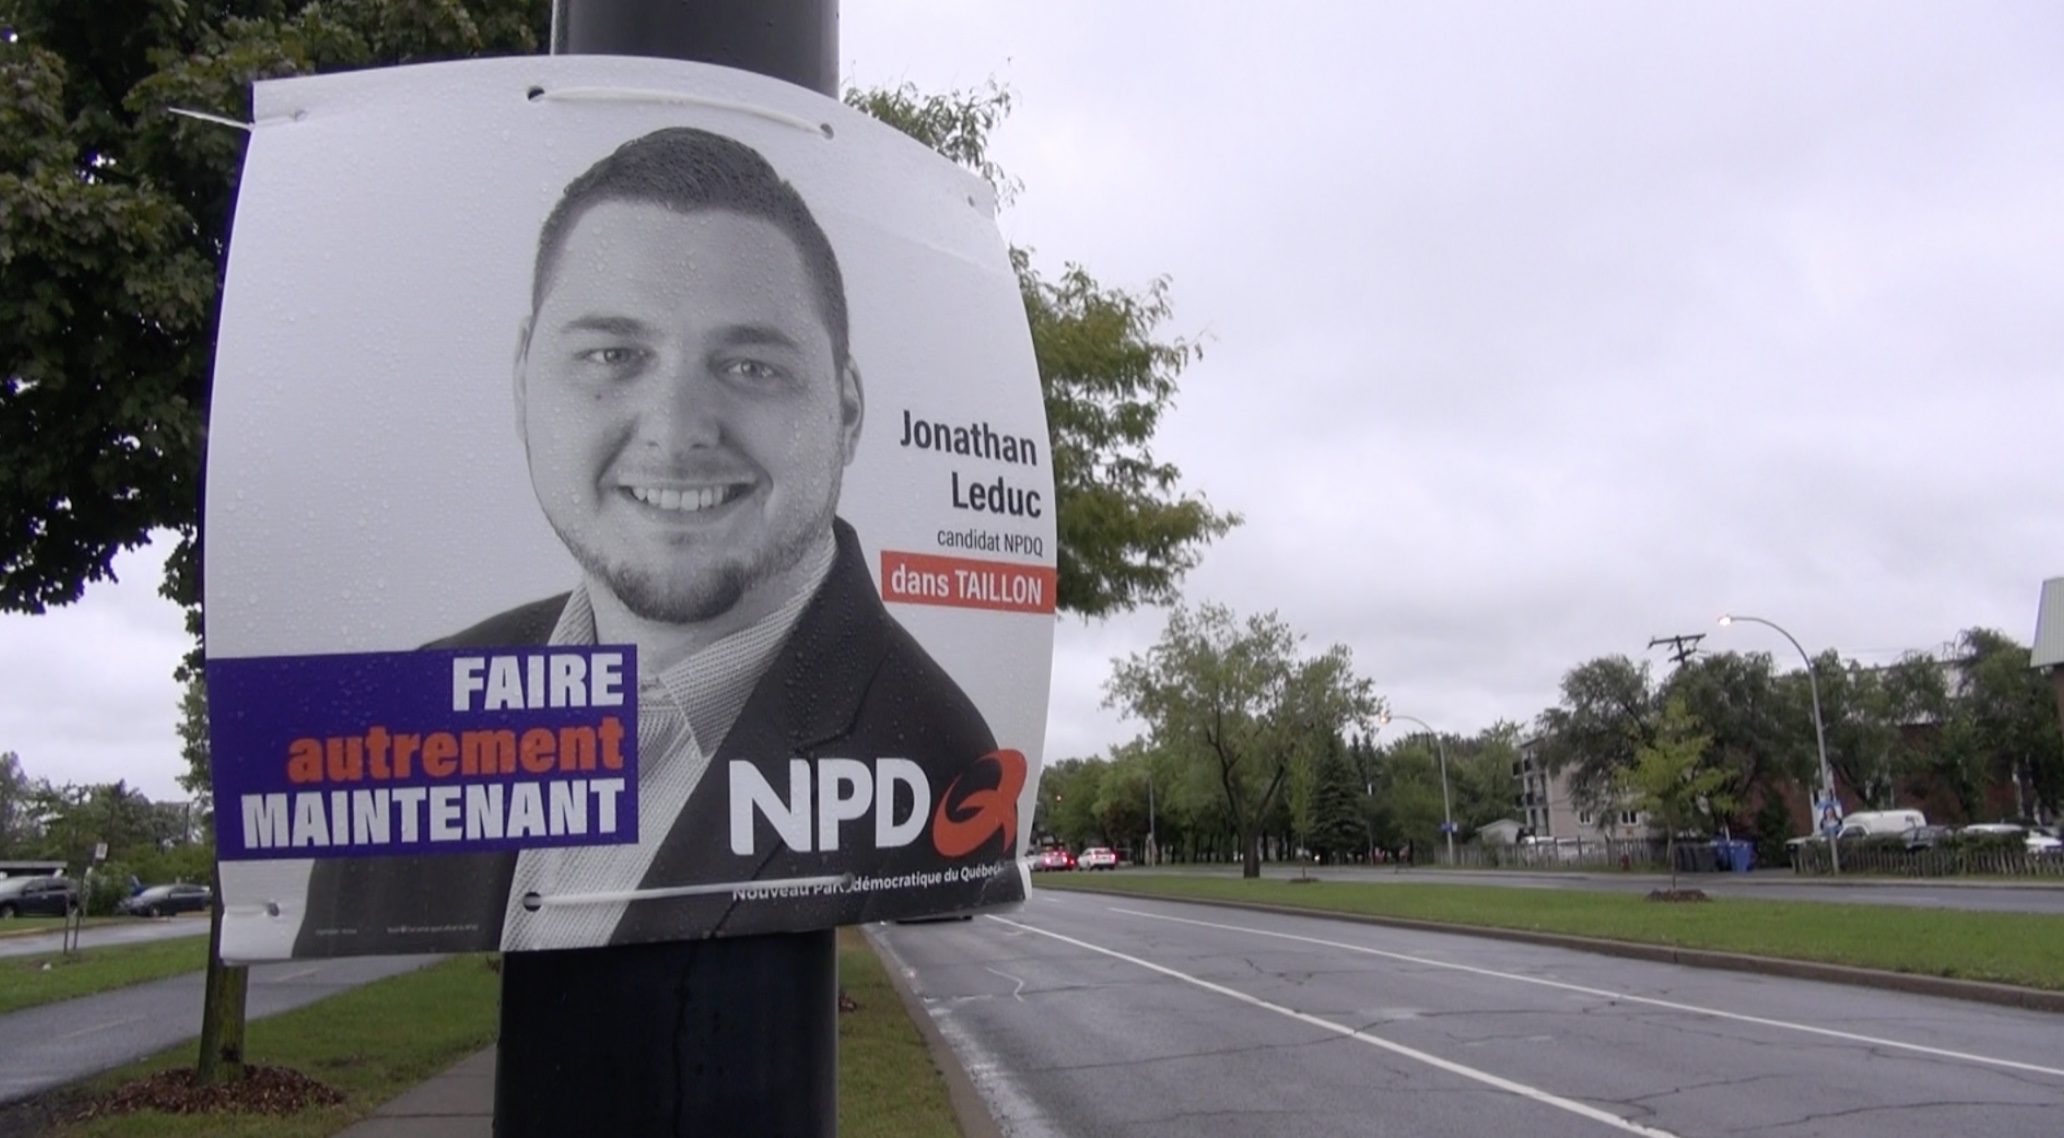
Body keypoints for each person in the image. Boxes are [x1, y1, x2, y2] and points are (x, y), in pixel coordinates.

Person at [294, 127, 1019, 956]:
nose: (676, 433)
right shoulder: (412, 716)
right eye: (613, 353)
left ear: (846, 411)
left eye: (750, 367)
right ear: (525, 375)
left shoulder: (945, 769)